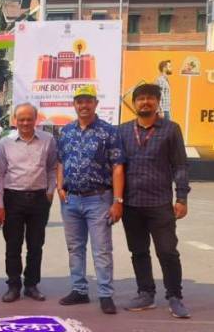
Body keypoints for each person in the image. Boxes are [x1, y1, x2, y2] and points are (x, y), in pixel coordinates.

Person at [117, 83, 191, 319]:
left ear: (158, 102)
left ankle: (175, 296)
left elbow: (180, 165)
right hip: (131, 204)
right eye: (141, 99)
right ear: (134, 103)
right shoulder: (124, 131)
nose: (145, 102)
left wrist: (181, 197)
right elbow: (116, 167)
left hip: (160, 203)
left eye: (150, 98)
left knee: (168, 251)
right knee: (138, 251)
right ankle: (146, 293)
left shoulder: (171, 129)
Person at [57, 84, 125, 315]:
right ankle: (79, 290)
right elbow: (60, 162)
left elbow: (117, 167)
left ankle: (105, 294)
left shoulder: (108, 132)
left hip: (99, 199)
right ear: (74, 105)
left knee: (101, 249)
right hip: (71, 200)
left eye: (88, 101)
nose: (83, 105)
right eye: (79, 101)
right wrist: (60, 186)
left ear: (96, 103)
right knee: (75, 248)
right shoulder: (66, 132)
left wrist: (118, 201)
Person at [0, 102, 58, 303]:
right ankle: (13, 285)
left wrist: (49, 192)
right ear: (15, 120)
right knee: (13, 245)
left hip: (39, 199)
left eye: (29, 119)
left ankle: (31, 284)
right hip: (13, 198)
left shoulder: (48, 140)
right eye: (21, 119)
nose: (25, 123)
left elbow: (52, 168)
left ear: (35, 120)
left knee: (36, 244)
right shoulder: (5, 142)